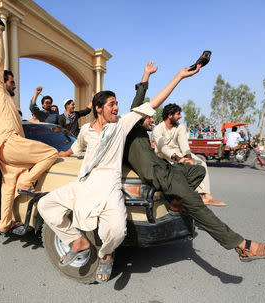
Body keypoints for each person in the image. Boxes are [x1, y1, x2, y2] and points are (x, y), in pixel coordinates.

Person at [38, 60, 201, 283]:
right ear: (98, 108)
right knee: (45, 204)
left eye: (117, 104)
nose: (116, 107)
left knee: (117, 232)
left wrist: (179, 76)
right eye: (112, 104)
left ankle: (106, 254)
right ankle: (77, 241)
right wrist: (57, 154)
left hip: (109, 187)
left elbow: (153, 103)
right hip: (85, 184)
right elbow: (73, 150)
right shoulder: (85, 130)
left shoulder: (121, 125)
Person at [123, 63, 265, 271]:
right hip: (160, 175)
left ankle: (177, 203)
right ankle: (242, 246)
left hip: (168, 169)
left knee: (198, 168)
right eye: (149, 117)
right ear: (139, 116)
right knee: (197, 206)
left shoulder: (143, 133)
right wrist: (171, 76)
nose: (153, 120)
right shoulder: (130, 127)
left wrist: (147, 73)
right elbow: (140, 101)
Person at [0, 24, 58, 234]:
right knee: (51, 152)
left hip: (5, 149)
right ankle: (26, 182)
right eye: (12, 82)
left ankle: (5, 223)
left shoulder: (5, 101)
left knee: (7, 185)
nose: (14, 85)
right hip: (11, 143)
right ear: (3, 82)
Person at [153, 103, 226, 206]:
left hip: (177, 152)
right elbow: (163, 148)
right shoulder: (157, 129)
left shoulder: (180, 127)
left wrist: (189, 158)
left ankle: (204, 195)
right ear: (170, 115)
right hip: (163, 156)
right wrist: (178, 159)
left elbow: (184, 145)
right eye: (178, 114)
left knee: (201, 163)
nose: (181, 116)